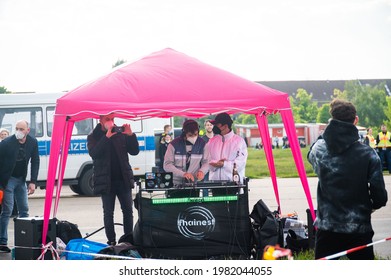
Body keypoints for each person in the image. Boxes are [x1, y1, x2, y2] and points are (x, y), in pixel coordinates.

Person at [308, 99, 388, 260]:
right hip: (358, 228)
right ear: (355, 120)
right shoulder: (368, 154)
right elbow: (380, 198)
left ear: (331, 120)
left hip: (327, 228)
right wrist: (367, 208)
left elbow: (312, 159)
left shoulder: (318, 149)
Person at [87, 114, 139, 245]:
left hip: (123, 179)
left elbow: (134, 151)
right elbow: (94, 154)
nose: (111, 122)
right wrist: (106, 138)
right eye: (107, 120)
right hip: (106, 181)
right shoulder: (93, 135)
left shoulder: (120, 133)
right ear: (100, 121)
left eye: (112, 119)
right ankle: (111, 241)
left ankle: (128, 240)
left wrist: (131, 135)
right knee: (108, 213)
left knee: (128, 211)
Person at [0, 120, 40, 253]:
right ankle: (2, 242)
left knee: (24, 210)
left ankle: (25, 240)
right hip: (8, 180)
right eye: (17, 128)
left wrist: (33, 181)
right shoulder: (6, 143)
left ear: (27, 130)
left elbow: (35, 161)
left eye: (21, 129)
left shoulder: (33, 142)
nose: (18, 131)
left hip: (21, 180)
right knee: (7, 210)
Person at [163, 119, 209, 196]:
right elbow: (167, 165)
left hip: (193, 185)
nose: (194, 137)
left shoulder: (202, 144)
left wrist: (202, 171)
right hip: (175, 185)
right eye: (190, 135)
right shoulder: (173, 144)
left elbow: (206, 162)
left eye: (196, 134)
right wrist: (183, 174)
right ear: (184, 133)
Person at [207, 113, 248, 190]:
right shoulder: (212, 141)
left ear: (225, 126)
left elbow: (240, 164)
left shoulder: (239, 141)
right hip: (215, 184)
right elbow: (207, 160)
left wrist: (224, 164)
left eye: (217, 125)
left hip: (233, 184)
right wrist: (214, 164)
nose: (214, 127)